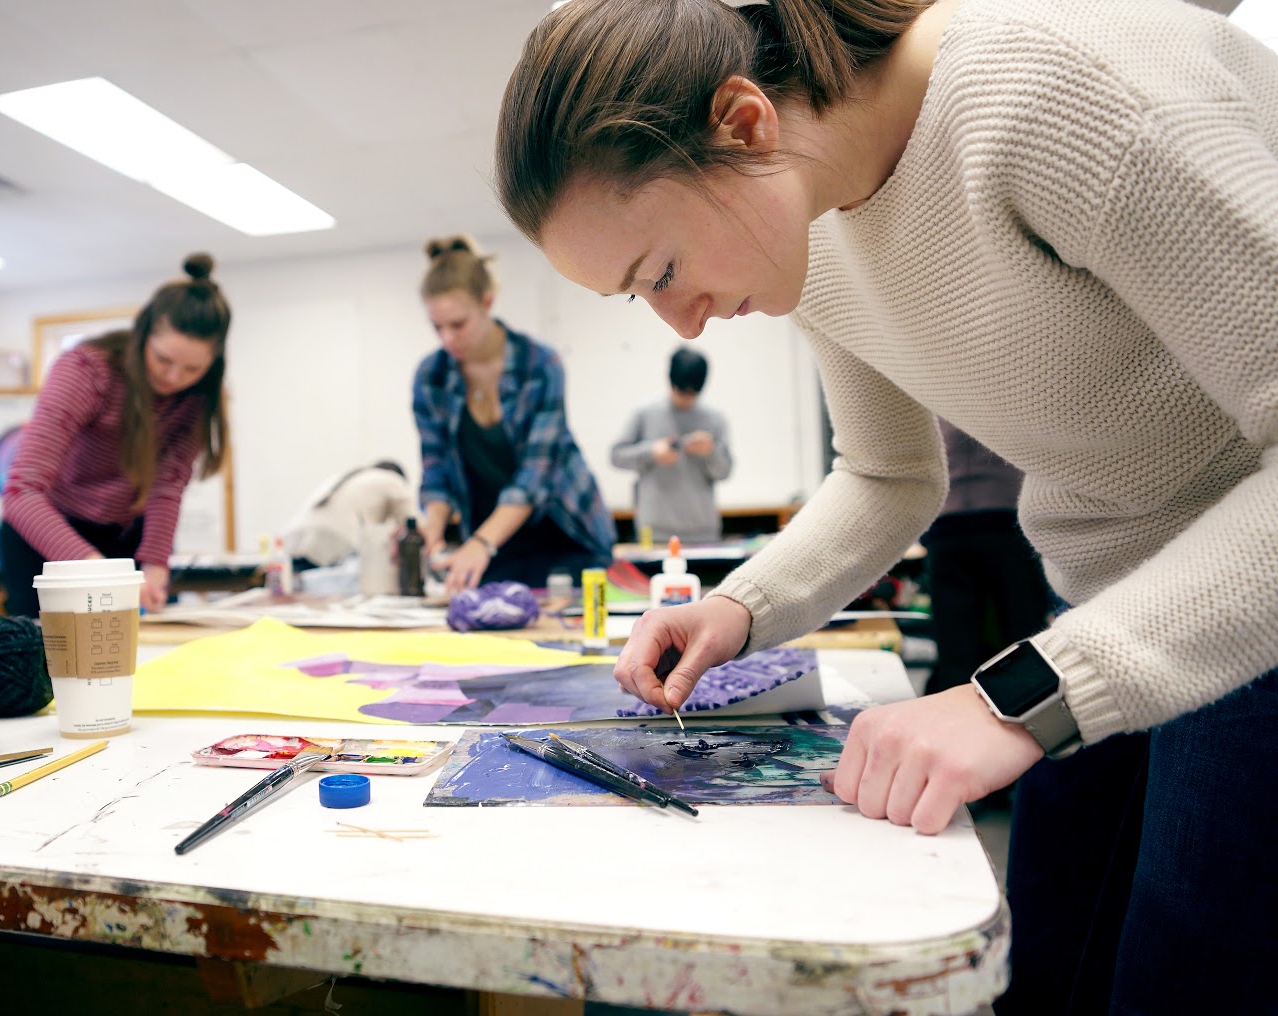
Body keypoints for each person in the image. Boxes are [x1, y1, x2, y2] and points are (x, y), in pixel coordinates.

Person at [494, 0, 1278, 1011]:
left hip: (1249, 609)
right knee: (1042, 965)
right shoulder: (812, 223)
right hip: (1113, 603)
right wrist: (740, 606)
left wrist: (1030, 692)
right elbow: (885, 472)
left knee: (1184, 978)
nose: (679, 320)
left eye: (663, 271)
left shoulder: (1058, 90)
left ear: (743, 122)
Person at [0, 253, 230, 617]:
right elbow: (20, 494)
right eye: (163, 359)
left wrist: (155, 566)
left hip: (123, 536)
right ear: (143, 335)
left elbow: (167, 487)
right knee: (46, 662)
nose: (173, 378)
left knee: (138, 652)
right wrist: (97, 569)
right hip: (48, 534)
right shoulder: (87, 371)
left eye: (192, 368)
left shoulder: (197, 397)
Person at [412, 235, 615, 592]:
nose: (447, 339)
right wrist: (433, 528)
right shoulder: (431, 378)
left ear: (487, 303)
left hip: (564, 533)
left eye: (458, 325)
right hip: (497, 542)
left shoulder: (539, 364)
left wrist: (481, 543)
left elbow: (534, 476)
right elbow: (437, 468)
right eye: (437, 328)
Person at [923, 419, 1050, 694]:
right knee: (1023, 634)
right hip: (1005, 520)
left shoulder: (933, 395)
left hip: (948, 524)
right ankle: (1028, 713)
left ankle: (953, 720)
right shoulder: (1004, 394)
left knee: (955, 645)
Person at [610, 347, 733, 544]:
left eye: (693, 394)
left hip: (702, 532)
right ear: (670, 381)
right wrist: (651, 452)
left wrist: (711, 452)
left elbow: (725, 472)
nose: (686, 399)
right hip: (655, 532)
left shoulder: (715, 418)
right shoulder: (645, 412)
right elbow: (616, 456)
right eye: (681, 392)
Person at [283, 460, 417, 569]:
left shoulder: (347, 477)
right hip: (334, 541)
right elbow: (414, 524)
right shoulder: (393, 480)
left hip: (292, 540)